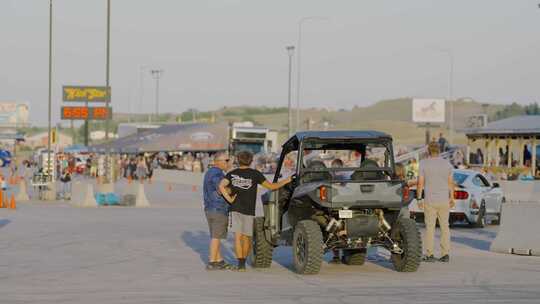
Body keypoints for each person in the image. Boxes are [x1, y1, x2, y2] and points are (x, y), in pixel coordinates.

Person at [219, 151, 291, 271]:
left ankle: (240, 265)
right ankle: (243, 262)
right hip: (249, 210)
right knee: (247, 237)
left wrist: (230, 199)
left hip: (235, 209)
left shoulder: (232, 174)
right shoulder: (255, 174)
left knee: (238, 237)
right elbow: (271, 187)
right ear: (251, 161)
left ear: (238, 160)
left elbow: (221, 186)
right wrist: (287, 181)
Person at [417, 141, 455, 263]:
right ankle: (445, 254)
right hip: (444, 200)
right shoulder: (447, 164)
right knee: (445, 227)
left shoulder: (423, 164)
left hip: (430, 200)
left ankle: (430, 254)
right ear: (439, 150)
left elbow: (420, 183)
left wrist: (419, 198)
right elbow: (450, 183)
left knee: (430, 228)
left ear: (428, 151)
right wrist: (452, 197)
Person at [203, 152, 234, 270]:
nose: (228, 163)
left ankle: (219, 260)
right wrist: (232, 190)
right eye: (226, 160)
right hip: (218, 208)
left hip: (210, 208)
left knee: (216, 235)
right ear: (218, 162)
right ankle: (212, 262)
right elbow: (222, 189)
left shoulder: (209, 172)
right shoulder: (217, 173)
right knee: (216, 237)